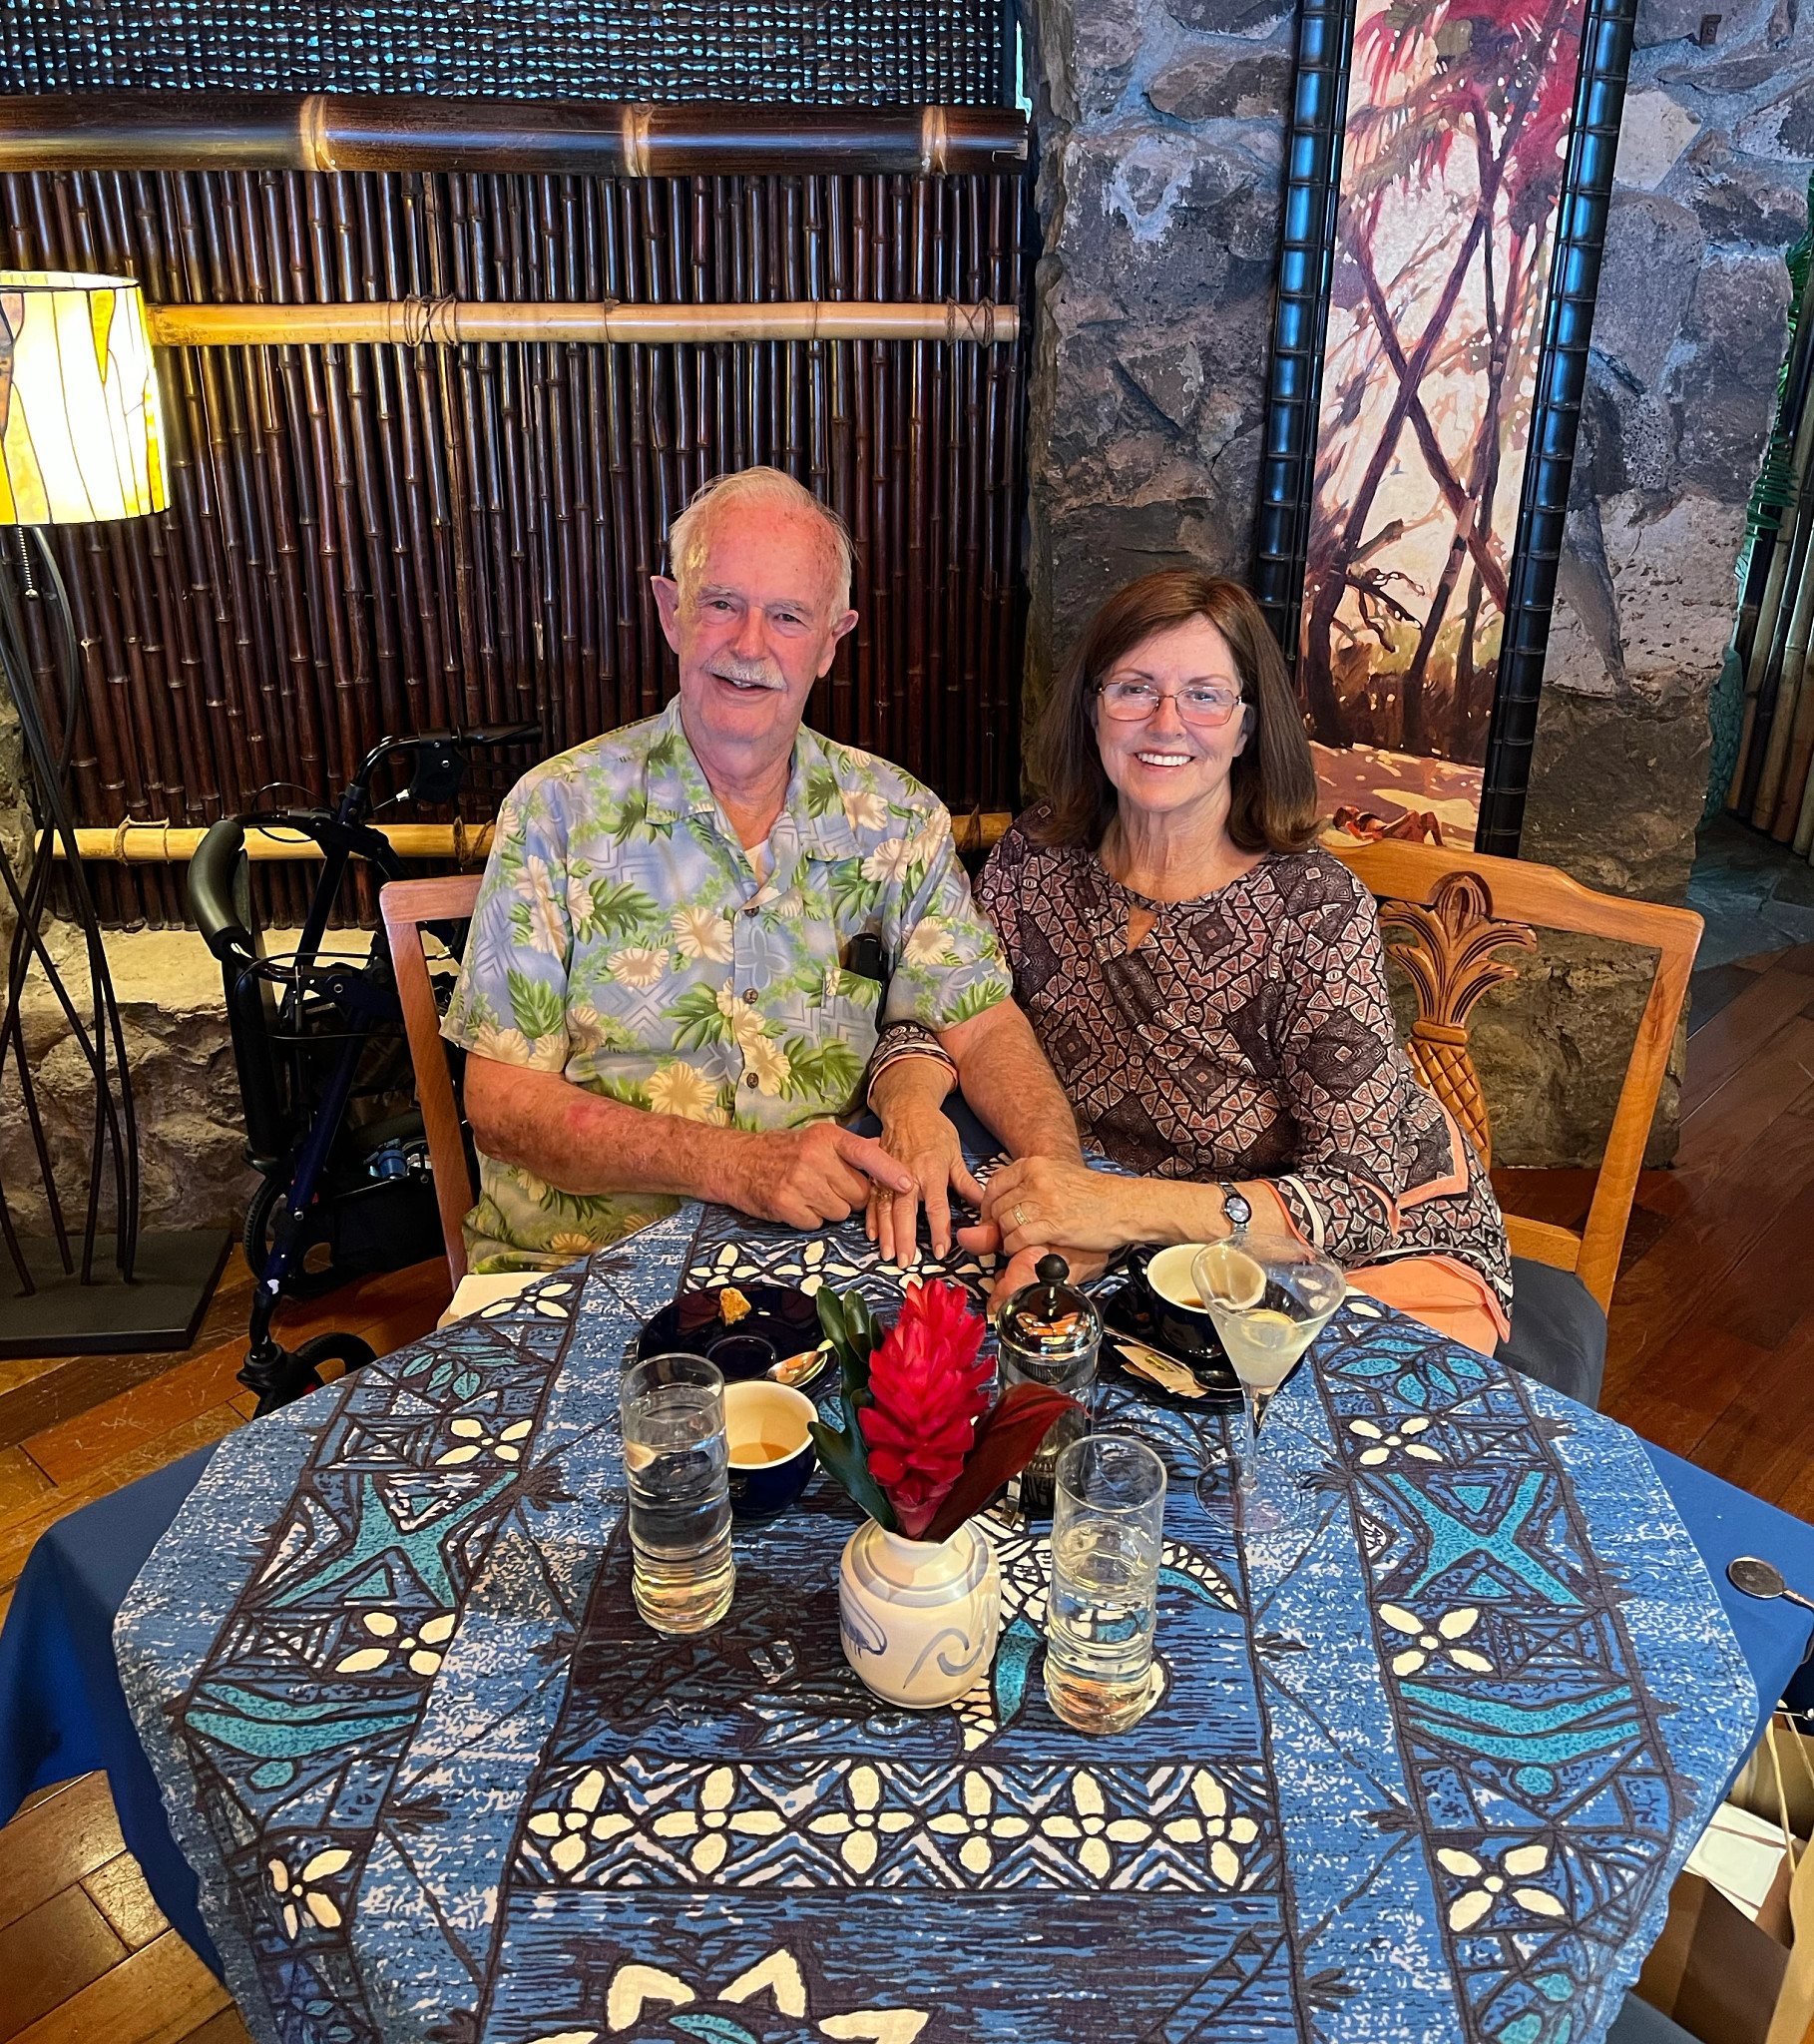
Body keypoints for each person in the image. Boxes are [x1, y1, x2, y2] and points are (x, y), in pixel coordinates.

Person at [442, 466, 1080, 1273]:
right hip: (583, 1268)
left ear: (830, 642)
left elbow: (983, 1024)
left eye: (786, 616)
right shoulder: (556, 811)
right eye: (722, 604)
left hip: (832, 1262)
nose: (749, 646)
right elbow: (499, 1107)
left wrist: (1062, 1189)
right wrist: (735, 1164)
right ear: (671, 613)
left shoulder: (896, 817)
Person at [866, 569, 1515, 1357]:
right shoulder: (1036, 858)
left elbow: (1363, 1199)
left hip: (1366, 1253)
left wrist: (1113, 1206)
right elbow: (949, 1010)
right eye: (1134, 689)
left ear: (1246, 728)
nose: (1166, 724)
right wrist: (914, 1107)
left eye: (1205, 695)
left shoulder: (1313, 908)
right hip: (1123, 1231)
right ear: (1092, 709)